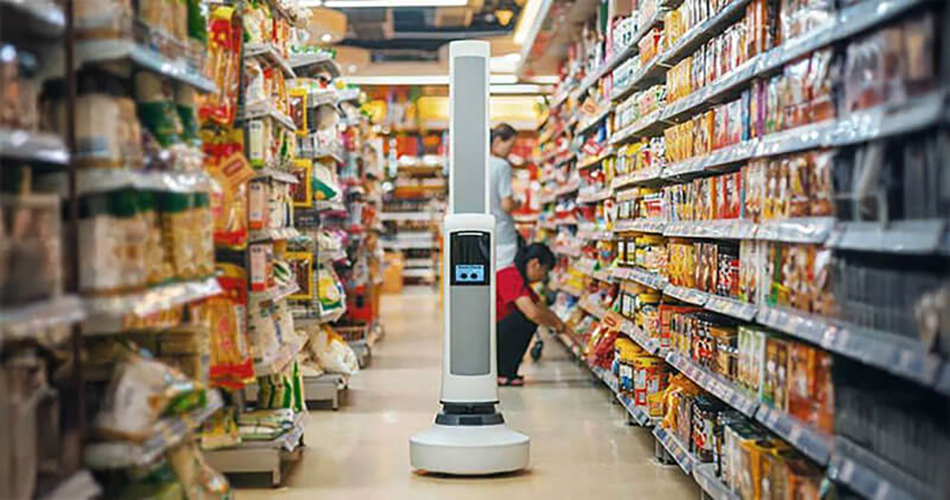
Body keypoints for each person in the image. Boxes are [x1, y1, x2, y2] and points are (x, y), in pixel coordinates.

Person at [496, 242, 573, 386]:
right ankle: (500, 372)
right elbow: (533, 313)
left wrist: (573, 336)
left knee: (530, 318)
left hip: (495, 333)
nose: (543, 276)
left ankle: (507, 372)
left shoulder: (521, 282)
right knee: (525, 319)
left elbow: (543, 309)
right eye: (544, 271)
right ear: (535, 264)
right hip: (485, 337)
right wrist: (557, 326)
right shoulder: (510, 276)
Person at [489, 123, 521, 268]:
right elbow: (506, 205)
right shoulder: (502, 165)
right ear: (497, 141)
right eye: (510, 146)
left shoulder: (478, 164)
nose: (510, 151)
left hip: (483, 232)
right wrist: (518, 202)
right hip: (502, 236)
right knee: (502, 279)